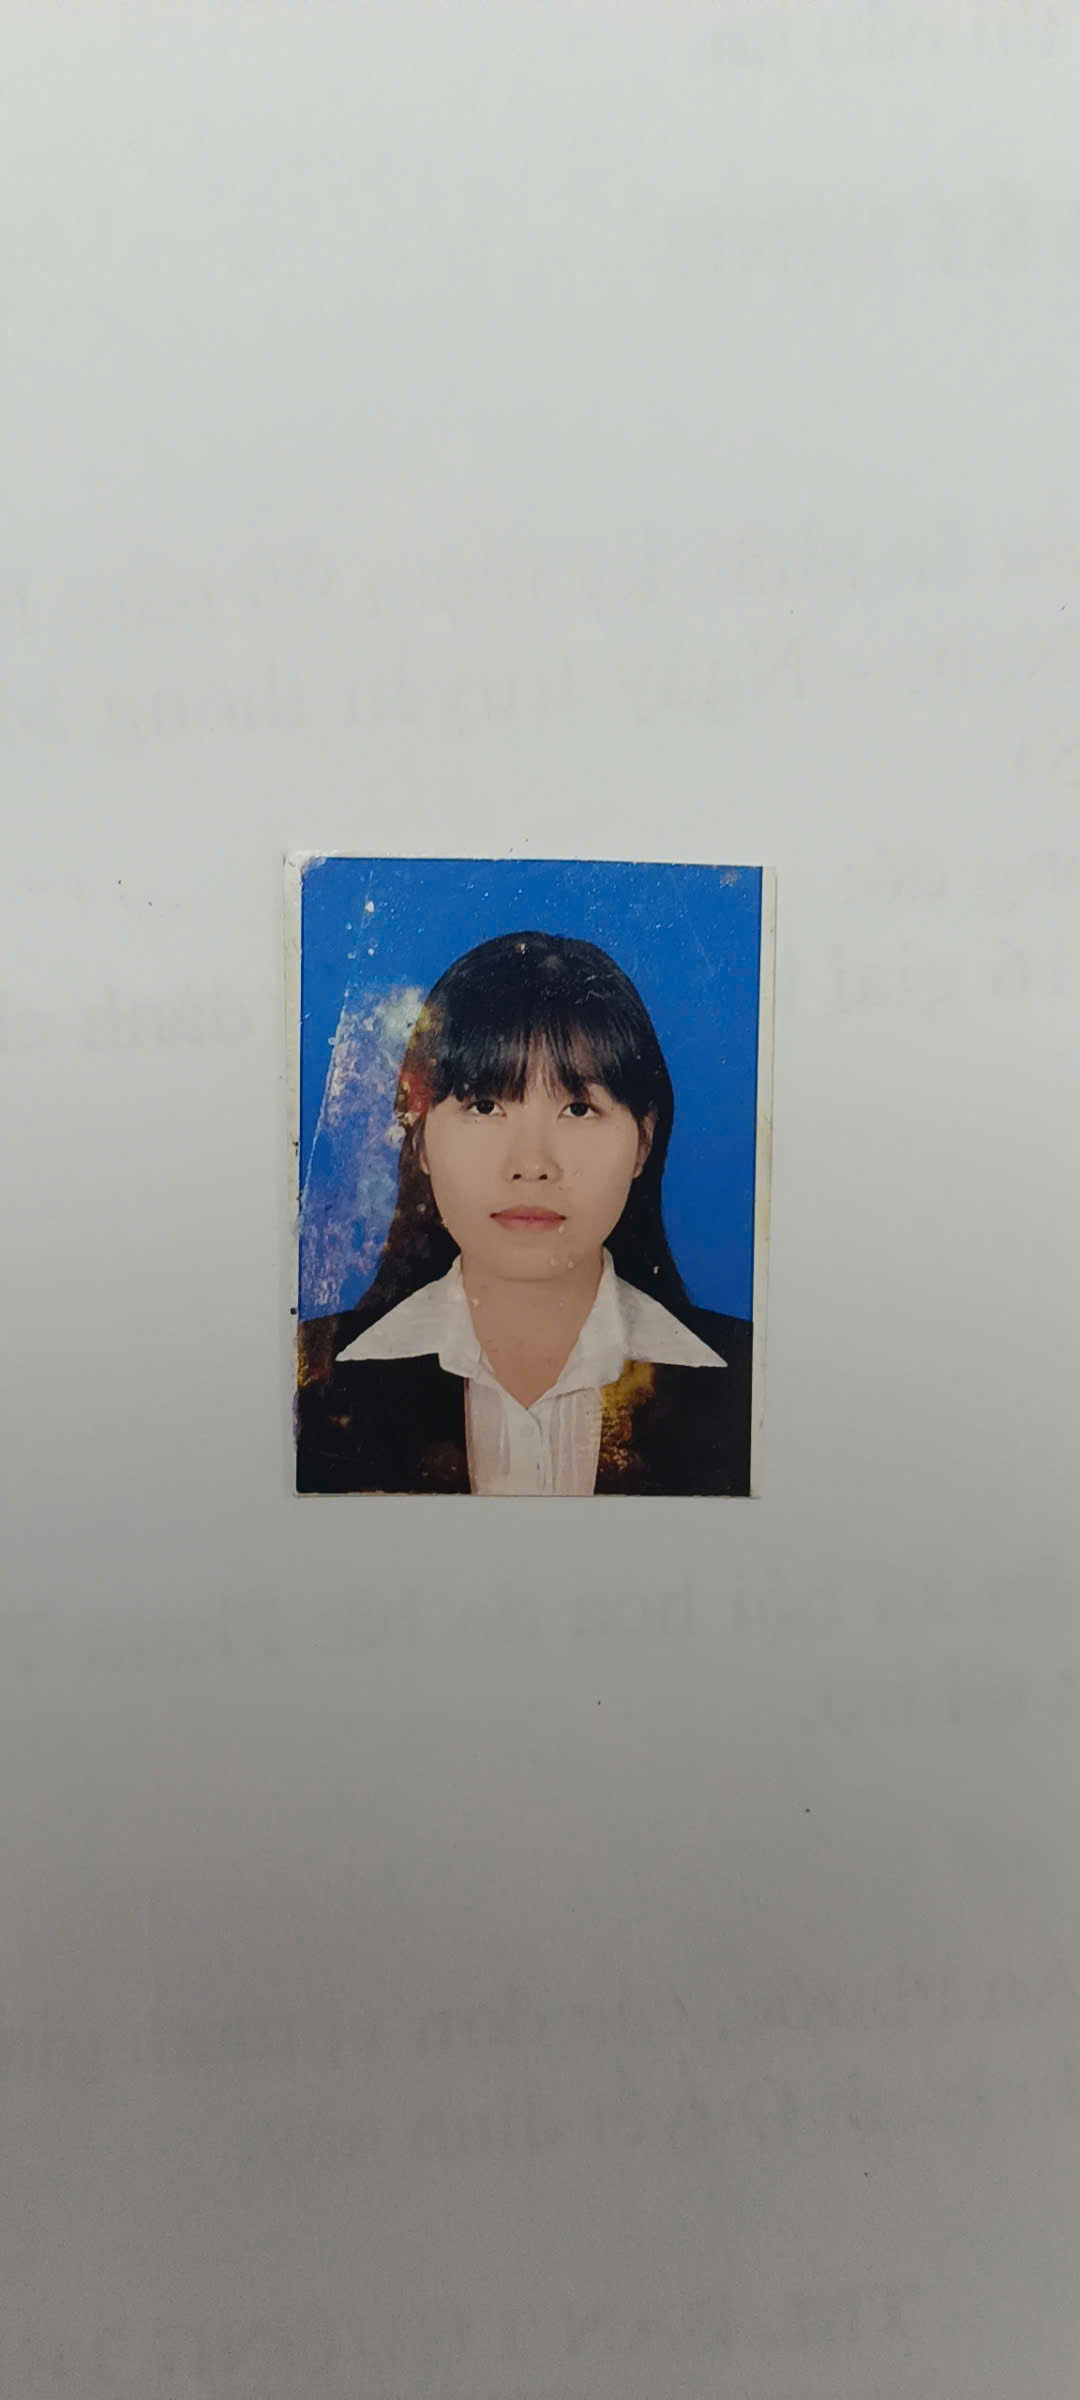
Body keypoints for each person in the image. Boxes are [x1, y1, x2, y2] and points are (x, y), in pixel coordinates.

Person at [296, 929, 753, 1496]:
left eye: (578, 1109)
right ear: (419, 1137)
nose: (531, 1165)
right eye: (486, 1105)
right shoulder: (304, 1381)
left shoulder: (756, 1382)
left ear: (643, 1141)